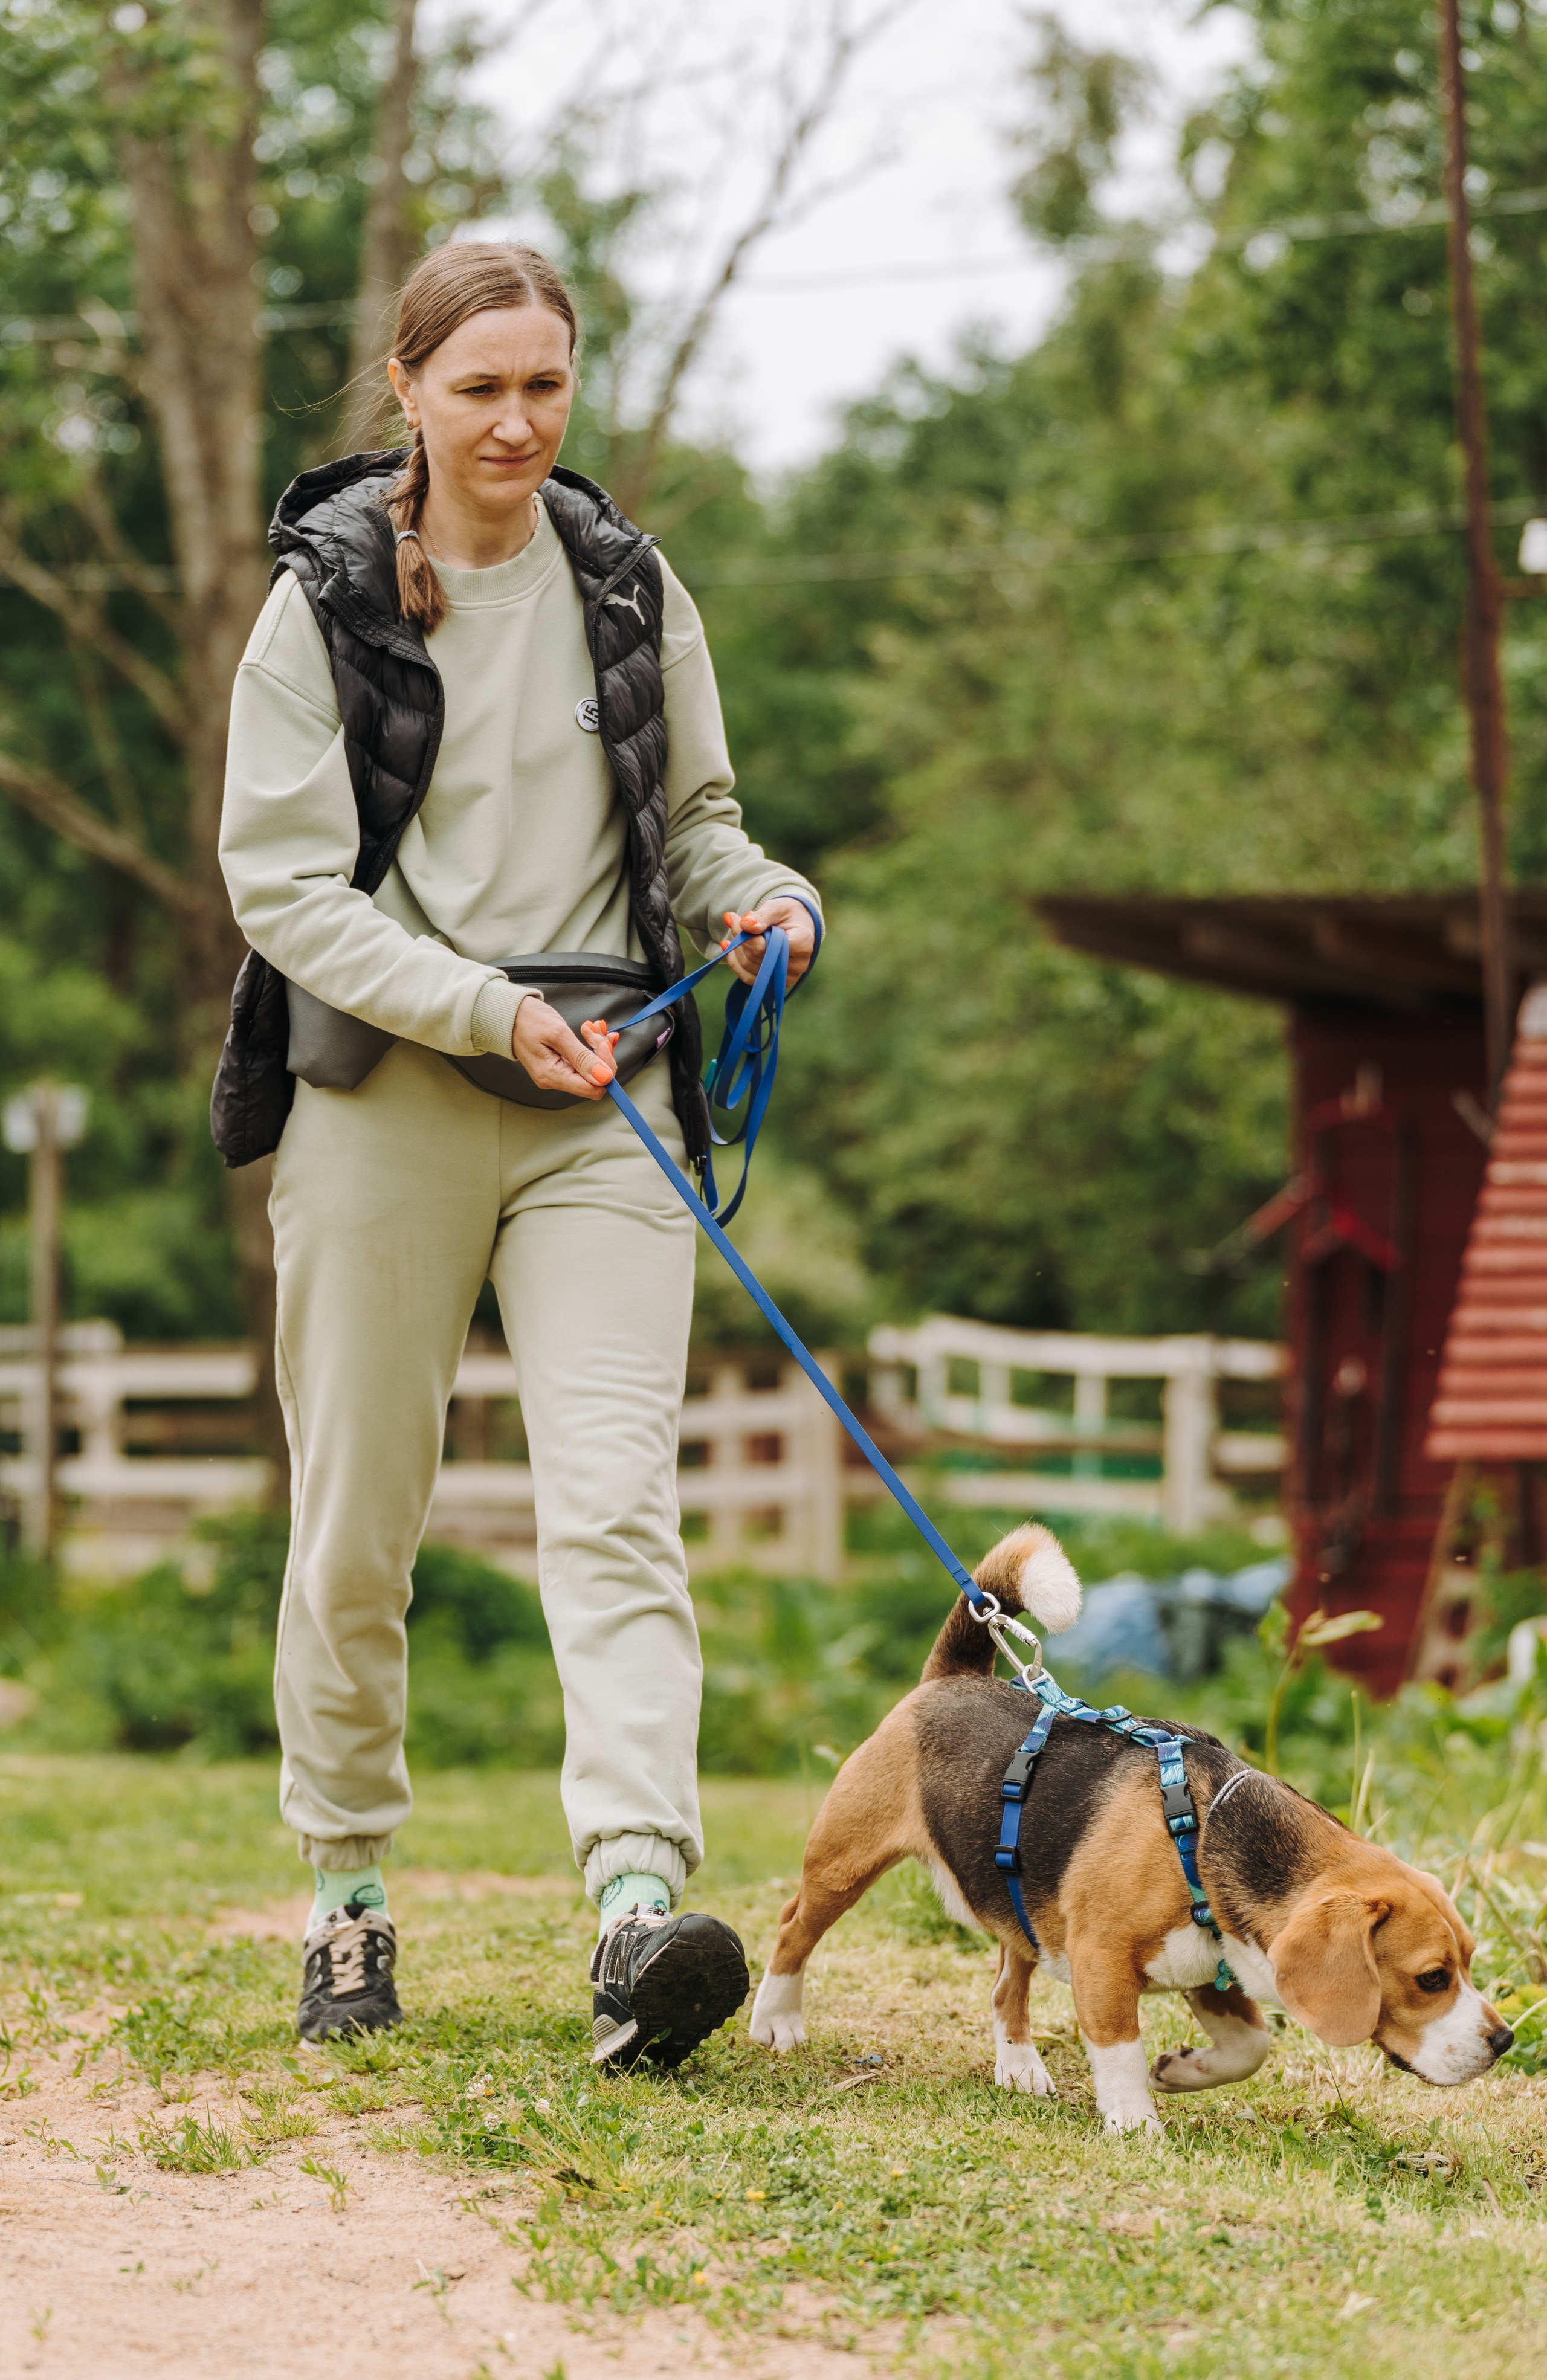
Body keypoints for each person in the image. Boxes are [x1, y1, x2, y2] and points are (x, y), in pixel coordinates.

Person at [216, 240, 821, 2066]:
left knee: (621, 1502)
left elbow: (698, 822)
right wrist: (481, 1008)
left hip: (605, 1103)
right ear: (405, 387)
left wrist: (763, 897)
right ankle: (346, 1892)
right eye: (477, 385)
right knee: (356, 1529)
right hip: (387, 1090)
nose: (514, 419)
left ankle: (638, 1905)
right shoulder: (320, 602)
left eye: (544, 384)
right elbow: (282, 887)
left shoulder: (631, 588)